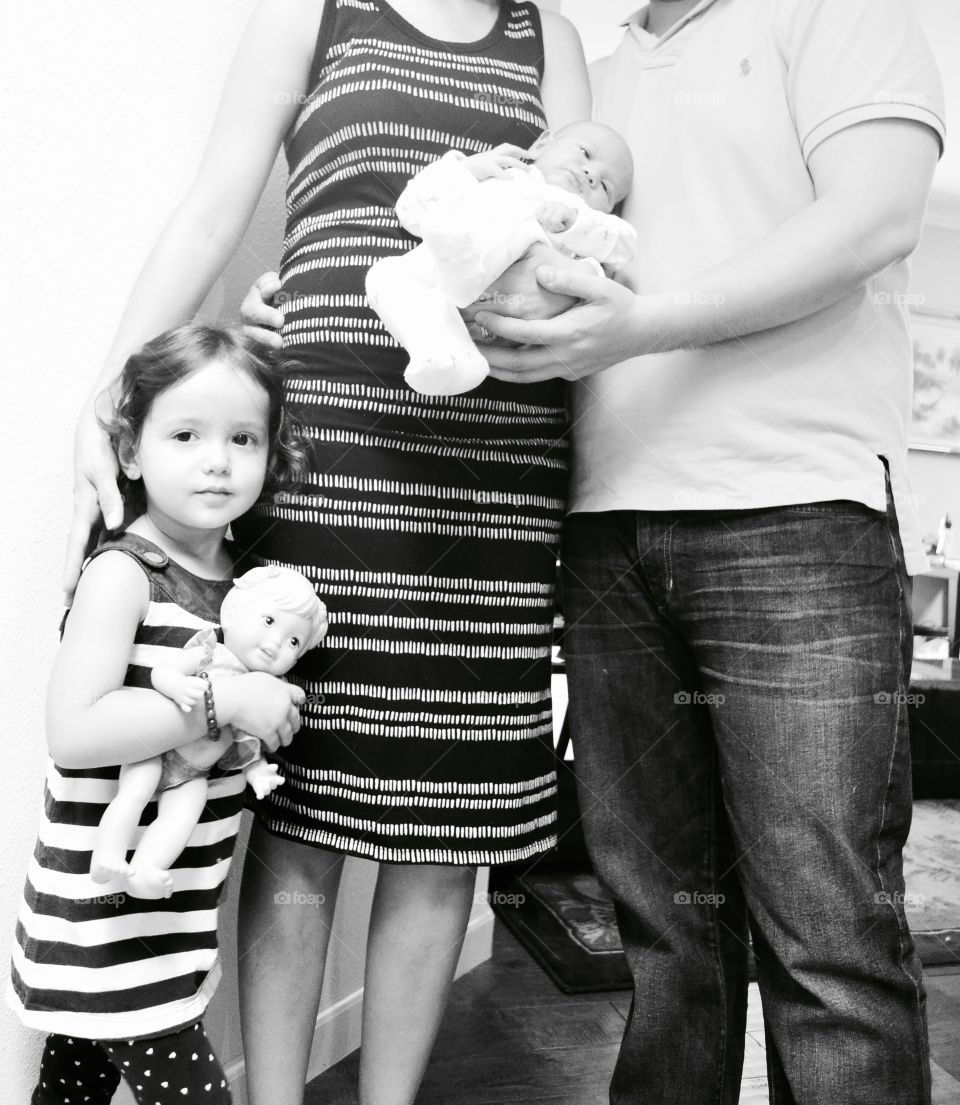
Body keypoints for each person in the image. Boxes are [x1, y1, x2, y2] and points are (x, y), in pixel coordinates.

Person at [65, 3, 592, 1104]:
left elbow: (572, 220)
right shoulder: (311, 14)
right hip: (330, 460)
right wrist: (116, 385)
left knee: (448, 828)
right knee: (303, 811)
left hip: (497, 481)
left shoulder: (555, 41)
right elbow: (216, 207)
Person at [463, 0, 944, 1102]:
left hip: (796, 515)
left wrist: (644, 324)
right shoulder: (588, 73)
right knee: (668, 945)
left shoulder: (835, 11)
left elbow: (875, 219)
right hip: (605, 531)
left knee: (830, 941)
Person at [9, 324, 307, 1105]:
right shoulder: (124, 573)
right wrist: (229, 700)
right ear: (132, 453)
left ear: (270, 457)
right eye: (185, 434)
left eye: (243, 437)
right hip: (103, 907)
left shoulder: (243, 586)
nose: (217, 459)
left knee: (74, 1081)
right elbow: (74, 731)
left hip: (167, 903)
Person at [92, 564, 328, 899]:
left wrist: (258, 773)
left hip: (193, 773)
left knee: (182, 816)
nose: (275, 643)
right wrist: (175, 686)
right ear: (232, 612)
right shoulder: (210, 652)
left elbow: (249, 743)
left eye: (293, 641)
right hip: (156, 750)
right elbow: (163, 672)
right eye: (269, 621)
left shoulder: (264, 693)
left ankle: (146, 870)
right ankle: (107, 854)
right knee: (133, 794)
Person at [366, 121, 636, 394]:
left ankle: (462, 273)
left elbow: (623, 245)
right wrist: (464, 170)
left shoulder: (580, 217)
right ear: (542, 144)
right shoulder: (494, 176)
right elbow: (410, 211)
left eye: (605, 187)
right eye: (585, 153)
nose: (591, 174)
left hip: (501, 284)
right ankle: (445, 358)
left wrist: (576, 222)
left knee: (519, 230)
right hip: (437, 272)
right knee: (384, 276)